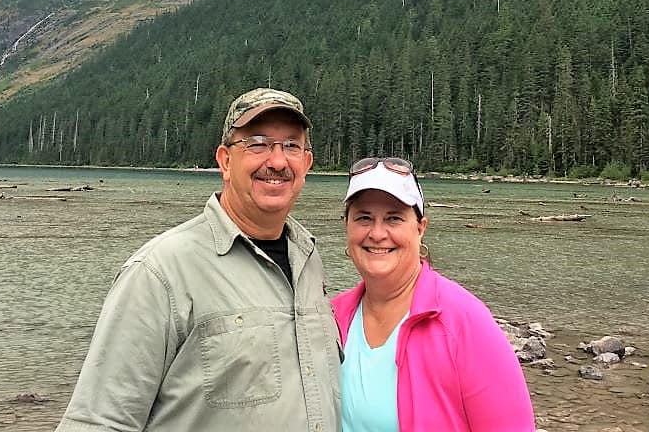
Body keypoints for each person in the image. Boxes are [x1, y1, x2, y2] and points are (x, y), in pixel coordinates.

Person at [56, 88, 341, 432]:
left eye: (291, 146)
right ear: (224, 160)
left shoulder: (309, 259)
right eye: (258, 143)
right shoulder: (159, 271)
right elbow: (100, 421)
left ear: (307, 163)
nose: (277, 162)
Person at [331, 156, 535, 432]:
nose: (377, 233)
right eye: (364, 218)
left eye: (394, 218)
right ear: (347, 226)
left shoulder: (464, 320)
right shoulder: (331, 317)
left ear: (420, 228)